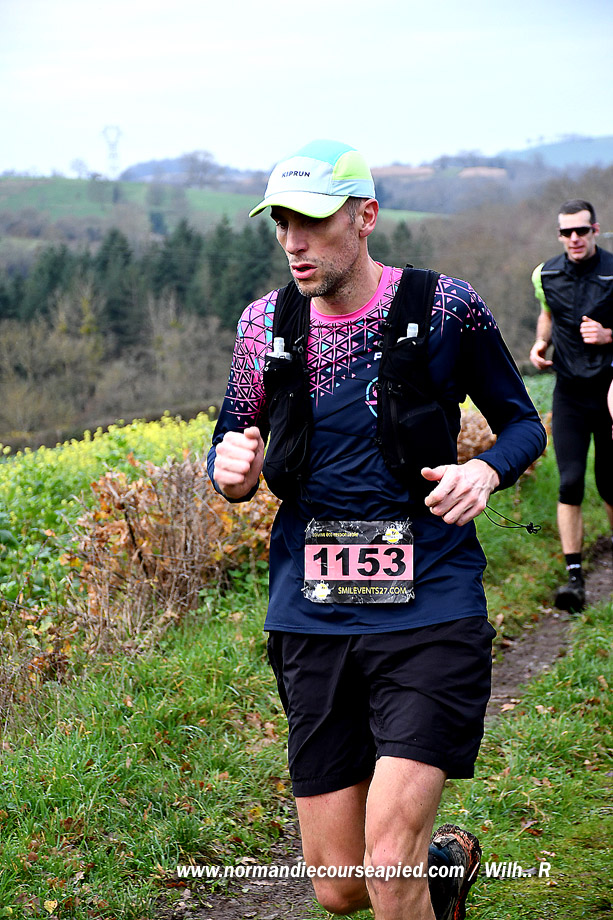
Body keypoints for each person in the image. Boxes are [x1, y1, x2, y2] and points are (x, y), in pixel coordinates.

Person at [208, 140, 546, 920]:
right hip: (312, 615)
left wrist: (484, 472)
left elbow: (521, 423)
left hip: (430, 606)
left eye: (312, 221)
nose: (293, 241)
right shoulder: (262, 326)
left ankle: (415, 872)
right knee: (340, 888)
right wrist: (229, 473)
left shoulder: (444, 308)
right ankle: (443, 869)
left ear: (364, 217)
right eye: (281, 223)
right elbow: (232, 442)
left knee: (388, 865)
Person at [529, 199, 613, 612]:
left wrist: (610, 335)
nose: (574, 238)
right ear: (560, 235)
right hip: (569, 393)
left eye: (581, 230)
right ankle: (575, 579)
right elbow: (548, 312)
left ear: (595, 229)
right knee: (570, 482)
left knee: (610, 483)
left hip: (610, 389)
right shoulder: (546, 274)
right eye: (567, 232)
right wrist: (540, 341)